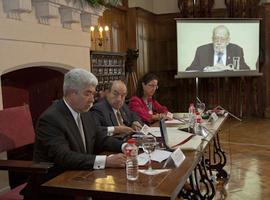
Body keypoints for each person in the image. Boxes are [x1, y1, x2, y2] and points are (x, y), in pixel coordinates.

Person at [23, 68, 126, 199]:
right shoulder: (50, 119)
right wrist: (106, 161)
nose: (92, 100)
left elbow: (100, 138)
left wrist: (124, 146)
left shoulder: (85, 112)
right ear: (71, 93)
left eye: (93, 94)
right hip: (54, 187)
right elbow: (64, 157)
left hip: (81, 176)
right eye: (87, 93)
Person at [186, 25, 250, 72]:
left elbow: (247, 70)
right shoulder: (202, 51)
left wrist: (232, 69)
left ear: (228, 41)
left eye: (222, 39)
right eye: (216, 39)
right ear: (212, 39)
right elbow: (189, 70)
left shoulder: (237, 50)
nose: (219, 42)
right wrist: (206, 69)